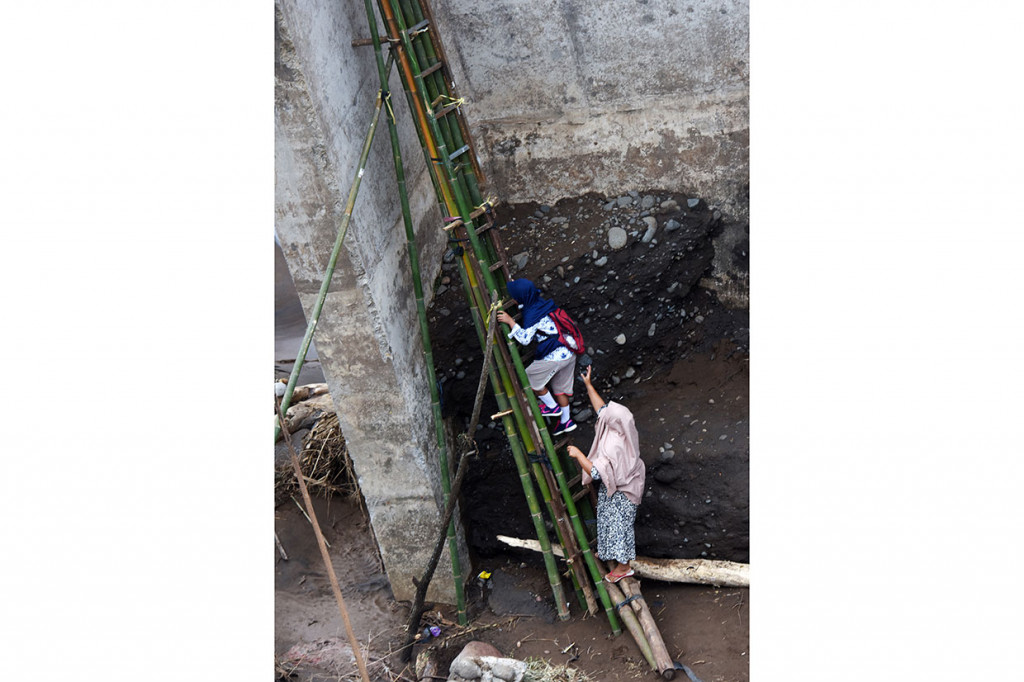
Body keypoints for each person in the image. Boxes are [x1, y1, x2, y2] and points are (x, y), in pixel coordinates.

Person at [566, 365, 646, 582]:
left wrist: (578, 454)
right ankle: (609, 552)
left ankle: (623, 567)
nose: (603, 414)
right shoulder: (622, 428)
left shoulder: (616, 446)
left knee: (619, 527)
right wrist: (588, 385)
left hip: (623, 491)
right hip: (617, 488)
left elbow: (595, 472)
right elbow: (602, 409)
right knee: (607, 520)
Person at [496, 278, 578, 435]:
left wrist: (510, 321)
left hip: (556, 356)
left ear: (520, 298)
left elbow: (525, 339)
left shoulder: (532, 314)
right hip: (568, 350)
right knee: (560, 389)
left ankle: (551, 407)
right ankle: (566, 421)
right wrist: (517, 285)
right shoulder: (539, 303)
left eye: (515, 296)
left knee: (529, 377)